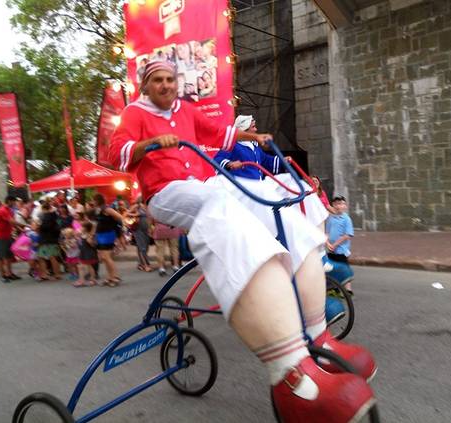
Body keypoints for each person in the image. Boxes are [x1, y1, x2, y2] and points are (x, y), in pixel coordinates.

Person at [108, 59, 376, 422]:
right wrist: (150, 143)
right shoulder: (134, 114)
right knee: (222, 209)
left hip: (203, 185)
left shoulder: (184, 109)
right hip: (165, 193)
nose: (166, 85)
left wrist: (255, 138)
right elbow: (117, 154)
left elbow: (219, 132)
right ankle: (289, 371)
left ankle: (319, 337)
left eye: (170, 79)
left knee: (272, 203)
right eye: (158, 80)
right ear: (145, 85)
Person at [92, 193, 123, 287]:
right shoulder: (98, 209)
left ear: (98, 200)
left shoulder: (107, 209)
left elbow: (119, 217)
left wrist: (113, 224)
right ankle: (109, 277)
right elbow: (96, 223)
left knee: (107, 257)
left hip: (107, 235)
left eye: (93, 200)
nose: (92, 202)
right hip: (100, 235)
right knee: (104, 258)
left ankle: (115, 277)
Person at [326, 196, 355, 294]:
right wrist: (328, 243)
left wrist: (335, 244)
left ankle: (348, 290)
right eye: (337, 204)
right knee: (332, 268)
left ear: (345, 206)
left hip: (341, 250)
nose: (339, 206)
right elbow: (327, 233)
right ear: (333, 205)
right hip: (331, 250)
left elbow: (347, 235)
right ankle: (334, 288)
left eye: (342, 204)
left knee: (344, 268)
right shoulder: (331, 218)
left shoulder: (346, 219)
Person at [0, 196, 20, 282]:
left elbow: (12, 223)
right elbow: (11, 221)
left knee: (9, 256)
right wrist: (25, 225)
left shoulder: (9, 210)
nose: (15, 203)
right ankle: (2, 275)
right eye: (14, 202)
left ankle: (9, 274)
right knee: (1, 257)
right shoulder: (2, 210)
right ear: (9, 201)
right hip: (1, 237)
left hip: (8, 236)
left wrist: (20, 230)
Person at [37, 202, 62, 281]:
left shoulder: (46, 217)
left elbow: (45, 227)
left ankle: (44, 275)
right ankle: (57, 274)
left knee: (42, 257)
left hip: (46, 239)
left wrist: (39, 226)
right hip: (53, 239)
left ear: (44, 209)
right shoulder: (55, 216)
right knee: (53, 257)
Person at [127, 196, 152, 272]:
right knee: (142, 248)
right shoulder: (137, 206)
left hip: (146, 229)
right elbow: (127, 213)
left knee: (145, 246)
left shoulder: (147, 206)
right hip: (138, 229)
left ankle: (140, 264)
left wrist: (150, 228)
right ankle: (146, 265)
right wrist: (136, 214)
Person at [74, 221, 98, 287]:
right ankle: (82, 280)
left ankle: (92, 280)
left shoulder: (88, 235)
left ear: (86, 228)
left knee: (89, 266)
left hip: (88, 253)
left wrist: (90, 240)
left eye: (82, 227)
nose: (80, 228)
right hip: (83, 252)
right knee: (81, 266)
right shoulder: (82, 234)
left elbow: (92, 244)